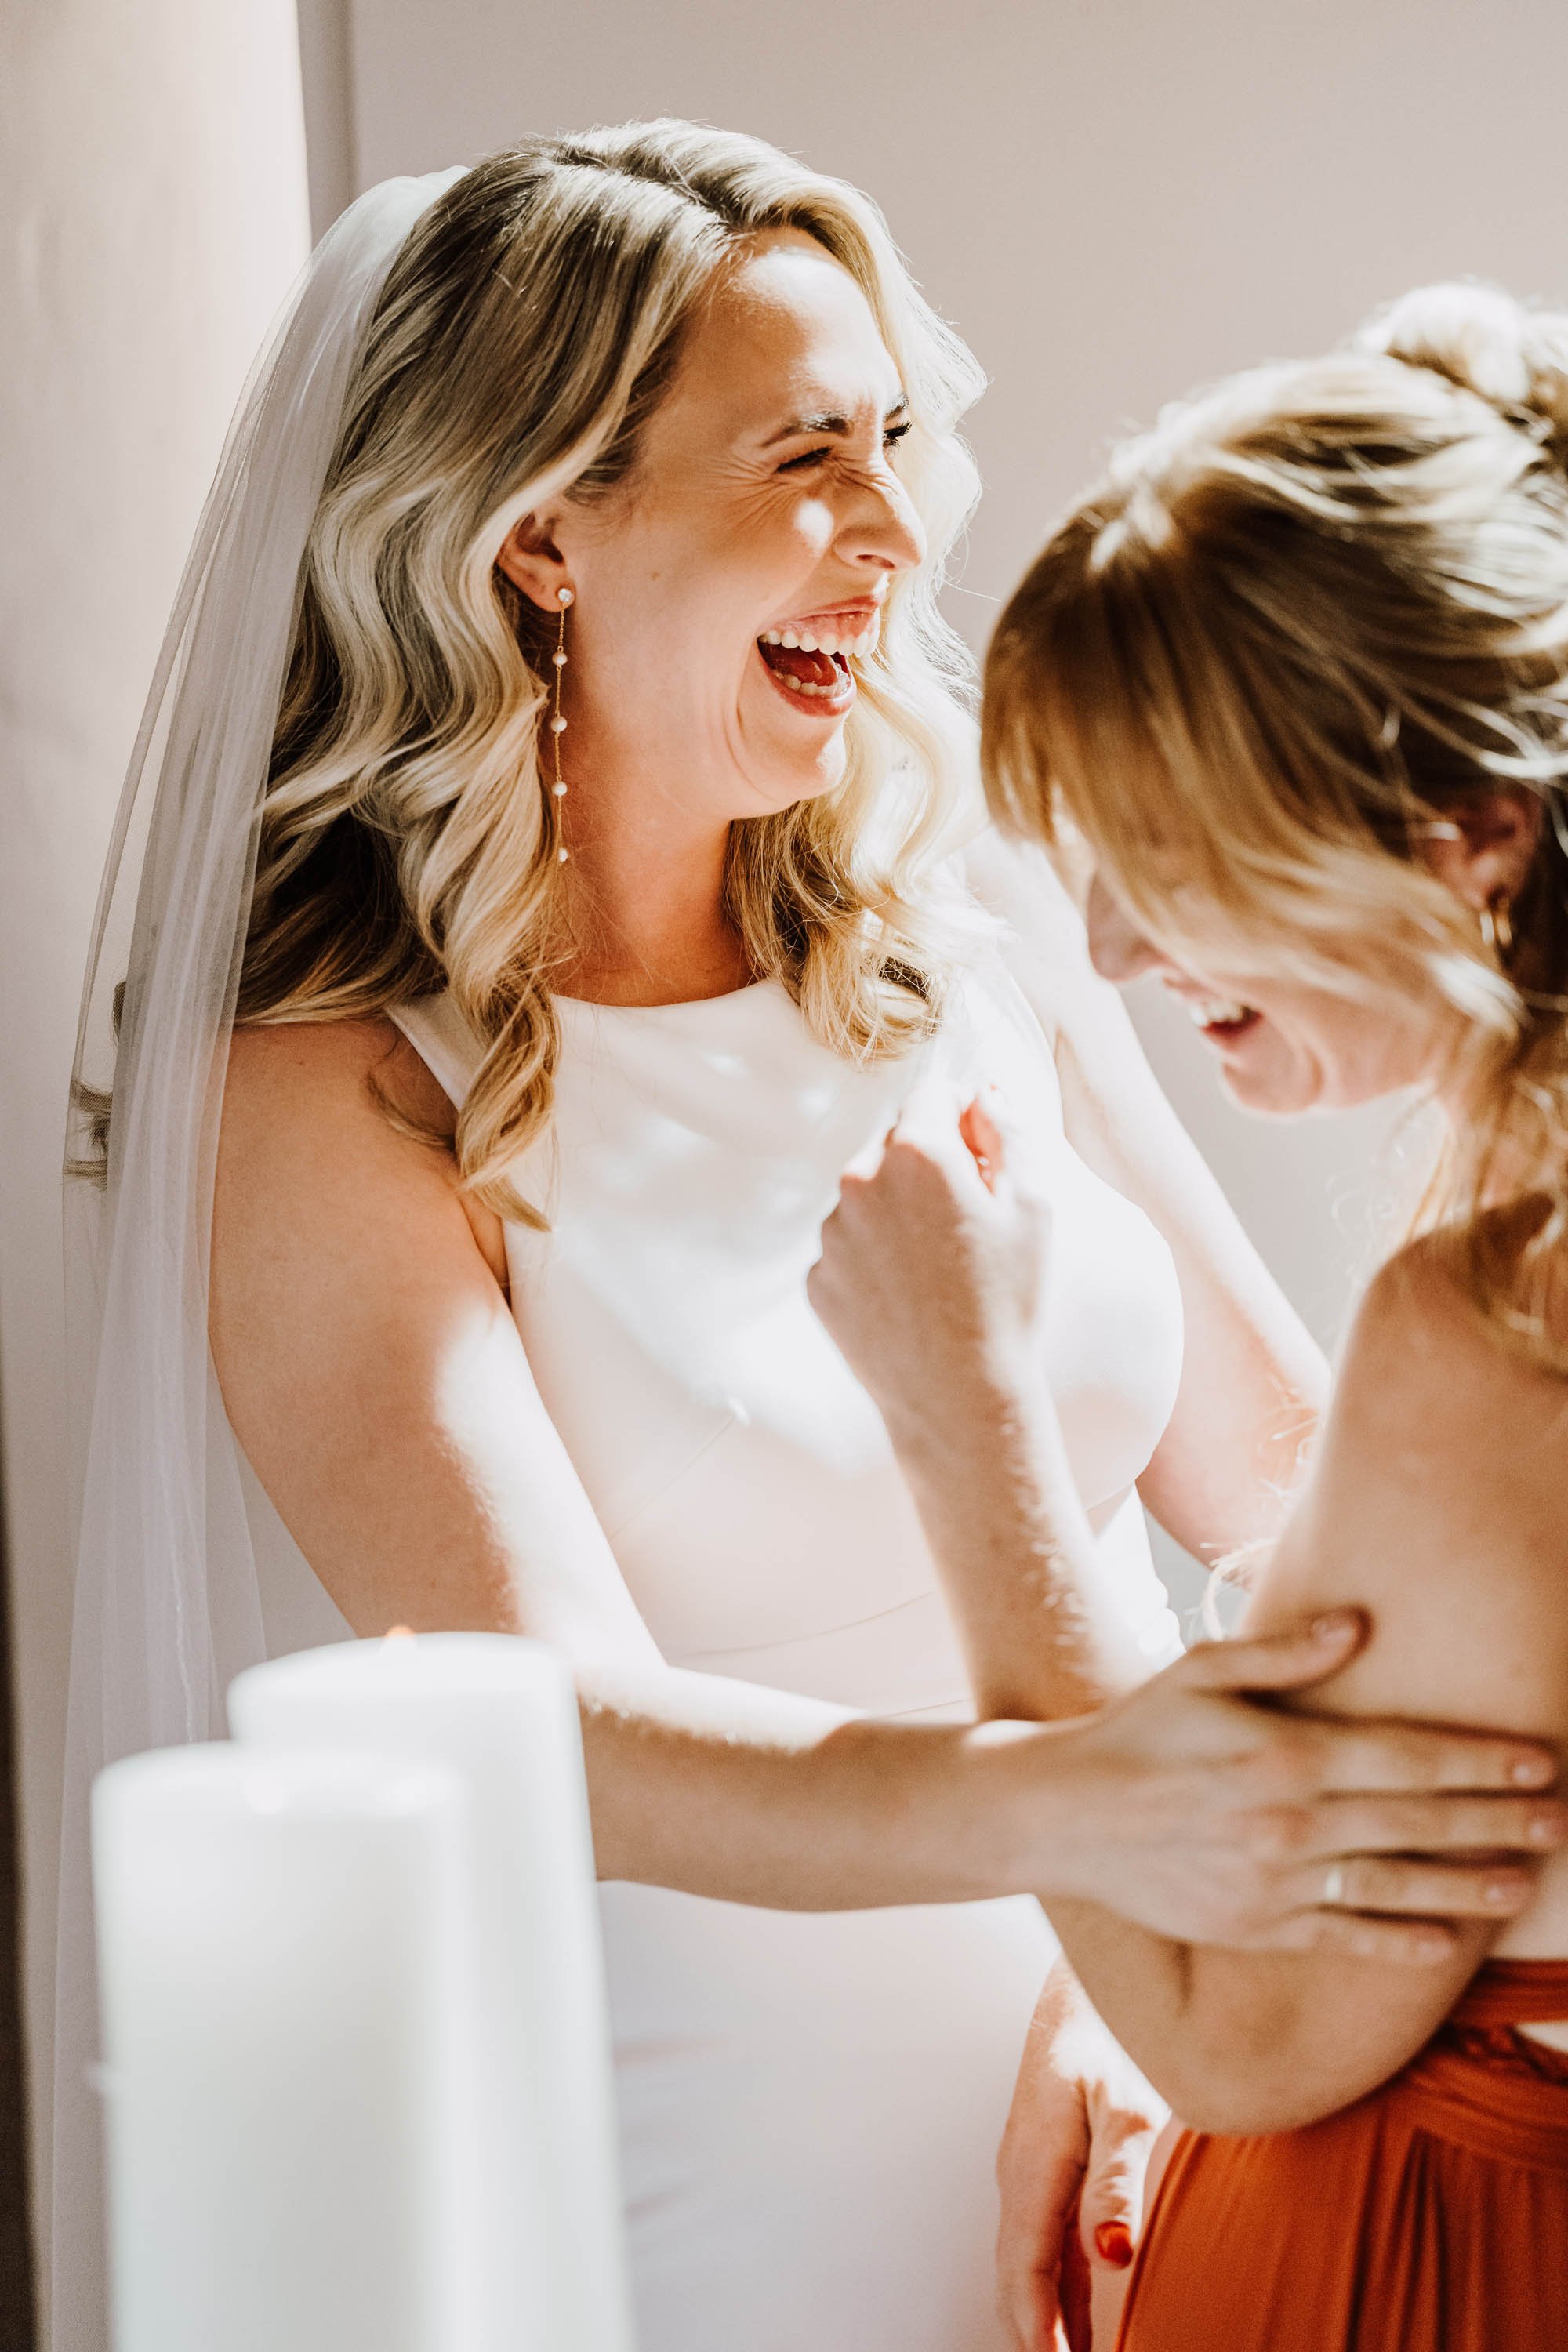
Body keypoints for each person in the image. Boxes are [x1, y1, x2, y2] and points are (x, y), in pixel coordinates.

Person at [63, 126, 1564, 2352]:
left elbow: (1286, 1495)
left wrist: (1127, 1966)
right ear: (543, 533)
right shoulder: (338, 1090)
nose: (897, 530)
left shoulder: (970, 944)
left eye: (894, 443)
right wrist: (1094, 1828)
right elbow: (537, 1723)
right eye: (806, 457)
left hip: (1190, 2116)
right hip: (736, 2186)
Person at [811, 280, 1568, 2351]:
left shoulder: (1505, 1330)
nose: (1124, 947)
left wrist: (969, 1419)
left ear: (1465, 834)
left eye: (1175, 860)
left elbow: (1236, 2027)